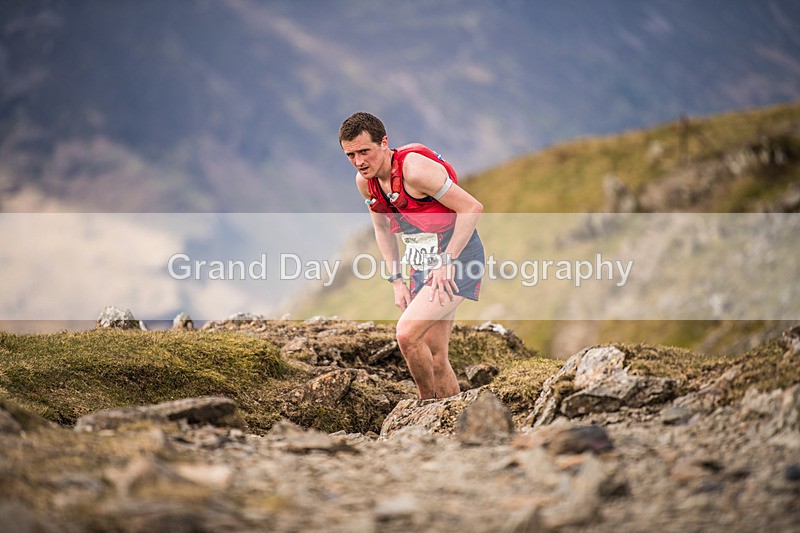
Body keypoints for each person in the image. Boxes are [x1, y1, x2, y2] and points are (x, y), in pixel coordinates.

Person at [338, 112, 485, 400]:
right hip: (423, 265)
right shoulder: (364, 182)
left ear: (384, 143)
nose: (359, 162)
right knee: (435, 356)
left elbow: (472, 208)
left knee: (406, 334)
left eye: (364, 151)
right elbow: (382, 228)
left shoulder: (414, 171)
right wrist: (396, 280)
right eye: (350, 155)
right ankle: (452, 420)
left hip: (459, 259)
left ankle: (424, 409)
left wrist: (447, 261)